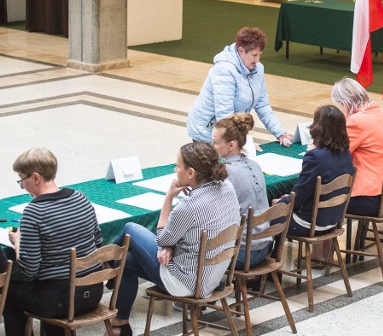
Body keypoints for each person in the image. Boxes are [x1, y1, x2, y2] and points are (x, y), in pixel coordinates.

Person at [108, 142, 240, 336]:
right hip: (215, 274)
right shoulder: (226, 186)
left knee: (130, 229)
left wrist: (168, 197)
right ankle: (120, 322)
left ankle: (106, 267)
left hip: (185, 282)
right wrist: (170, 246)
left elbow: (162, 239)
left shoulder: (188, 206)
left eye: (178, 166)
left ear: (191, 173)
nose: (175, 170)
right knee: (125, 262)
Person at [3, 148, 103, 336]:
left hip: (60, 301)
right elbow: (98, 242)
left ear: (35, 178)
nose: (22, 187)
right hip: (93, 294)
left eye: (21, 180)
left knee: (10, 290)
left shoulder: (34, 212)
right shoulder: (81, 198)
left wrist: (18, 244)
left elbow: (28, 270)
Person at [186, 26, 292, 147]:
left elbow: (263, 105)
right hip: (207, 132)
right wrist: (243, 142)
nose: (257, 60)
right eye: (254, 55)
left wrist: (280, 133)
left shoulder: (258, 69)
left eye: (259, 55)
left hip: (230, 132)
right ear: (241, 51)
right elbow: (225, 115)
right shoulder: (224, 70)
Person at [274, 105, 354, 260]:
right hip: (334, 219)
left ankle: (270, 270)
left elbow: (299, 197)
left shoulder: (315, 157)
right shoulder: (346, 153)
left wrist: (282, 202)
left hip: (310, 222)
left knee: (266, 219)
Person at [331, 77, 383, 216]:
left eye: (339, 105)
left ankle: (323, 237)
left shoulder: (357, 120)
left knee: (317, 201)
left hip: (369, 200)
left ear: (346, 103)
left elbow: (336, 154)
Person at [213, 113, 272, 269]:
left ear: (231, 145)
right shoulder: (255, 165)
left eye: (215, 143)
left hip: (243, 253)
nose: (212, 147)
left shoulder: (226, 173)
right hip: (265, 246)